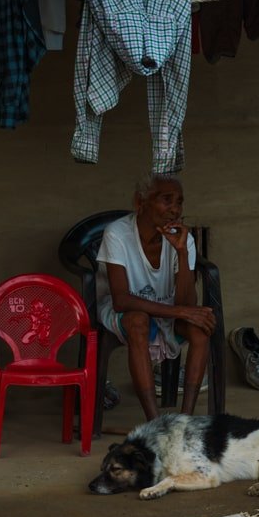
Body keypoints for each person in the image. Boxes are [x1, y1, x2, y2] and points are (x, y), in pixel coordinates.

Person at [97, 173, 215, 421]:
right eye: (166, 200)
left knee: (201, 327)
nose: (175, 209)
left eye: (179, 202)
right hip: (124, 312)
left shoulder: (183, 238)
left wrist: (182, 252)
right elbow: (121, 300)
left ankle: (185, 421)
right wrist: (181, 312)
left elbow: (187, 303)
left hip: (167, 309)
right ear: (140, 202)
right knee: (138, 320)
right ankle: (155, 422)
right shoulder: (117, 234)